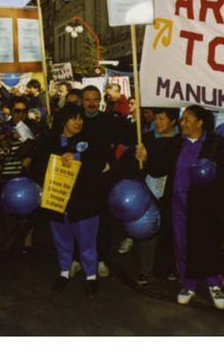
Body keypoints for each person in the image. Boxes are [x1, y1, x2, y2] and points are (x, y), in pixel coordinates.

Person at [138, 105, 224, 309]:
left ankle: (214, 283)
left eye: (187, 120)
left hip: (207, 205)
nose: (182, 124)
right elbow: (159, 166)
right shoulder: (175, 144)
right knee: (182, 241)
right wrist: (144, 157)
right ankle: (187, 283)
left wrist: (217, 172)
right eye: (182, 120)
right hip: (178, 203)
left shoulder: (217, 144)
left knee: (209, 241)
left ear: (200, 123)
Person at [29, 103, 103, 297]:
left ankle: (91, 276)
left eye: (81, 119)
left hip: (84, 202)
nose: (78, 122)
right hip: (57, 200)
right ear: (64, 121)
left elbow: (98, 164)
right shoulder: (49, 141)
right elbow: (37, 167)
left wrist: (78, 157)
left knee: (87, 241)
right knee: (61, 240)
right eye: (73, 118)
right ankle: (64, 272)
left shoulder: (90, 141)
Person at [79, 86, 136, 277]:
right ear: (82, 101)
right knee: (80, 220)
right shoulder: (75, 120)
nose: (92, 103)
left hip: (103, 178)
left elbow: (130, 138)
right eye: (87, 99)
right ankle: (78, 259)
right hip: (79, 179)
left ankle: (101, 258)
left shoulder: (109, 120)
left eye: (95, 99)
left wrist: (113, 164)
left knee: (103, 220)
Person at [129, 107, 181, 284]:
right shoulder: (146, 139)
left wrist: (150, 156)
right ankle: (145, 270)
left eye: (162, 119)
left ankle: (170, 268)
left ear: (173, 121)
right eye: (156, 119)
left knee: (170, 231)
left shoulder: (180, 141)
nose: (157, 122)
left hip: (171, 192)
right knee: (147, 230)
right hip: (148, 190)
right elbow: (137, 165)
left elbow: (172, 162)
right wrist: (139, 160)